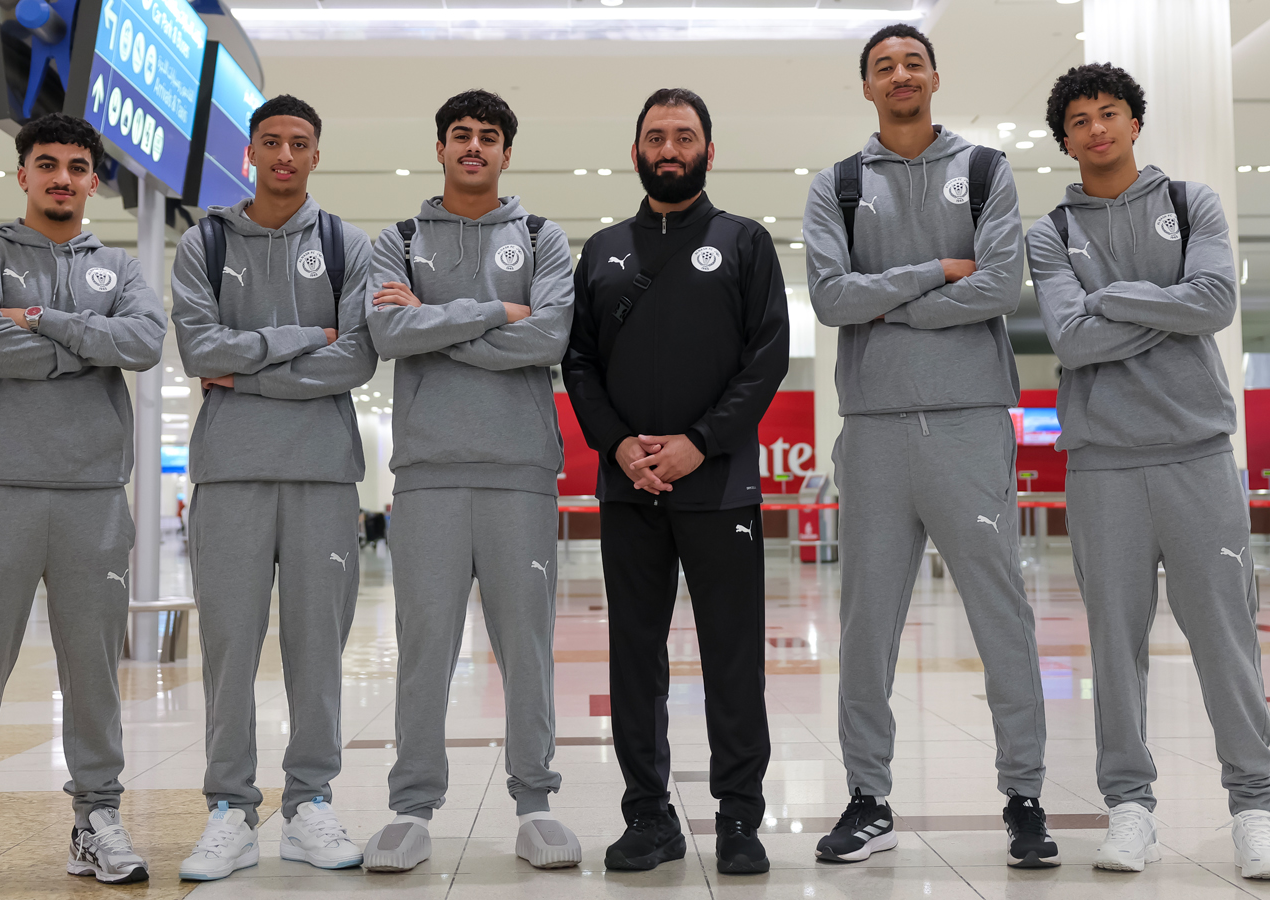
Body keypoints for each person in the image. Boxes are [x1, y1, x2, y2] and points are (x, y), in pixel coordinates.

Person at [1027, 63, 1270, 880]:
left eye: (1110, 113)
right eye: (1080, 120)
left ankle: (1254, 811)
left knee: (1226, 639)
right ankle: (1129, 808)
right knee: (1115, 648)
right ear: (1066, 139)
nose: (1097, 128)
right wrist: (1165, 305)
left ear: (1134, 123)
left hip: (1197, 454)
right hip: (1102, 464)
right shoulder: (1051, 233)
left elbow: (1215, 303)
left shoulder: (1191, 202)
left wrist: (1108, 298)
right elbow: (1070, 341)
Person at [802, 23, 1056, 868]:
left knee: (1000, 612)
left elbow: (1000, 286)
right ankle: (867, 798)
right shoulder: (838, 185)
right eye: (884, 66)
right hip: (874, 427)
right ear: (867, 87)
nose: (900, 73)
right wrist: (935, 273)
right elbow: (831, 300)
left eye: (913, 61)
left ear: (935, 77)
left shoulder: (983, 171)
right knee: (865, 623)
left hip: (968, 420)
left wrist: (888, 304)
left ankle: (1025, 796)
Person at [0, 113, 165, 899]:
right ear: (22, 174)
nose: (62, 177)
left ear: (94, 180)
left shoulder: (118, 266)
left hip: (94, 496)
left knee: (93, 670)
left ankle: (96, 820)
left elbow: (145, 343)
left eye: (77, 166)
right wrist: (89, 345)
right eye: (47, 163)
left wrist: (45, 323)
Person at [563, 87, 788, 876]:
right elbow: (579, 363)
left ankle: (739, 817)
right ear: (635, 152)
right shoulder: (603, 250)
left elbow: (766, 360)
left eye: (684, 136)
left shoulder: (744, 242)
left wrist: (700, 443)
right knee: (634, 657)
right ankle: (648, 816)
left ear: (708, 151)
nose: (669, 148)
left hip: (720, 487)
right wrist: (620, 445)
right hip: (629, 489)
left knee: (733, 658)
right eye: (656, 136)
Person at [361, 89, 579, 872]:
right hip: (428, 475)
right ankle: (411, 809)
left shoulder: (541, 237)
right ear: (442, 147)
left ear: (506, 153)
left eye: (489, 136)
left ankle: (535, 803)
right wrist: (498, 314)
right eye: (461, 134)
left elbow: (551, 335)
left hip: (521, 471)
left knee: (527, 646)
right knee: (425, 645)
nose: (474, 146)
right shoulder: (399, 240)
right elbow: (387, 331)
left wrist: (435, 320)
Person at [170, 94, 376, 880]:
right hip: (230, 473)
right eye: (271, 142)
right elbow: (199, 351)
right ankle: (230, 808)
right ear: (249, 152)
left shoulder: (346, 244)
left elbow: (356, 358)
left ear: (316, 155)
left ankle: (309, 803)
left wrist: (246, 371)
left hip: (323, 473)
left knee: (317, 648)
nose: (285, 155)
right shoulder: (206, 242)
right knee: (229, 647)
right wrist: (302, 341)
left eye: (299, 143)